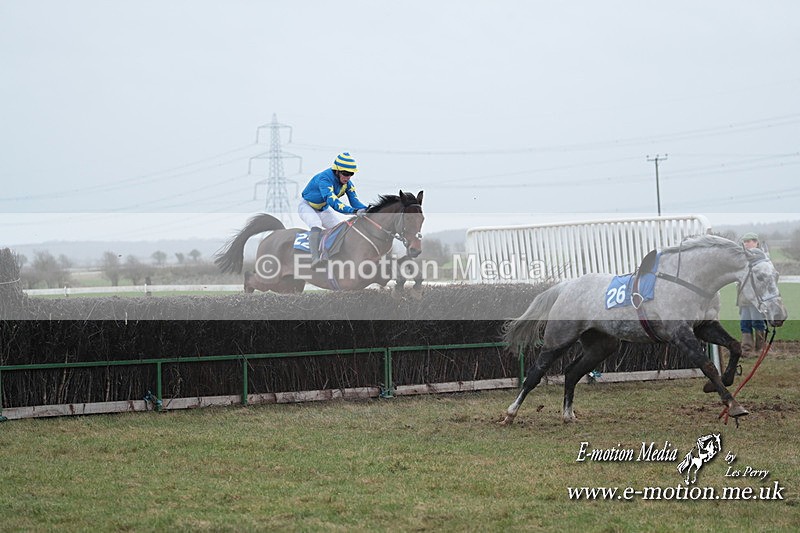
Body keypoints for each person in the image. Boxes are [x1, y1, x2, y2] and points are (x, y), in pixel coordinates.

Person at [298, 152, 369, 267]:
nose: (348, 177)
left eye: (351, 174)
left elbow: (355, 202)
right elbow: (333, 202)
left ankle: (333, 256)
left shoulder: (348, 184)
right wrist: (354, 212)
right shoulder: (325, 179)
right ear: (337, 171)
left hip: (323, 208)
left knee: (339, 228)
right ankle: (315, 258)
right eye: (345, 173)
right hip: (307, 206)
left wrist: (369, 210)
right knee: (316, 223)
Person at [738, 232, 767, 354]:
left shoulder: (762, 258)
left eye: (749, 241)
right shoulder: (742, 258)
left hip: (757, 298)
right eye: (745, 242)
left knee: (758, 322)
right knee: (745, 323)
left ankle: (760, 349)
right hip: (744, 297)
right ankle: (747, 350)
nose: (746, 244)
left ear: (756, 242)